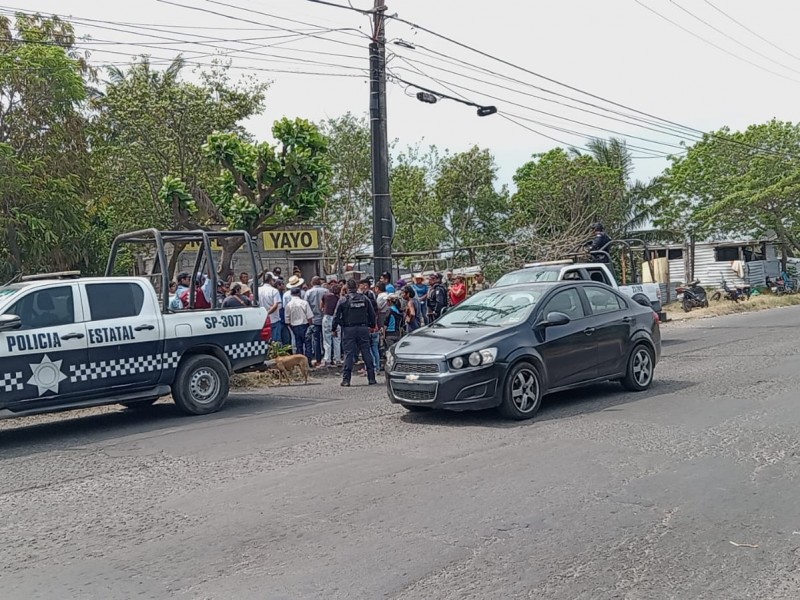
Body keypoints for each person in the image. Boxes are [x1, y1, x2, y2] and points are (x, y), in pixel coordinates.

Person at [333, 278, 377, 387]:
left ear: (347, 288)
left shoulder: (343, 300)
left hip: (349, 329)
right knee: (366, 352)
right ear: (356, 287)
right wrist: (371, 325)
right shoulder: (364, 298)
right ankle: (371, 378)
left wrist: (335, 328)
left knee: (349, 354)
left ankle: (346, 380)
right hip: (363, 328)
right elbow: (372, 314)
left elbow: (336, 316)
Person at [286, 287, 314, 363]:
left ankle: (299, 362)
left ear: (291, 294)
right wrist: (311, 326)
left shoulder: (288, 305)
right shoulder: (304, 303)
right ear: (299, 293)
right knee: (308, 344)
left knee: (299, 344)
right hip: (305, 325)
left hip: (294, 326)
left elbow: (287, 319)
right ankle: (308, 361)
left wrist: (292, 328)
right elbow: (309, 316)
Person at [304, 276, 326, 367]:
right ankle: (328, 358)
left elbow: (306, 306)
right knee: (326, 339)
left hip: (313, 319)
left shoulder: (308, 293)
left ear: (312, 283)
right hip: (324, 317)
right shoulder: (326, 291)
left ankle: (318, 359)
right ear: (320, 282)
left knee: (316, 340)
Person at [258, 273, 283, 342]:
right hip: (273, 319)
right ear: (270, 280)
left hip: (261, 320)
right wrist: (267, 313)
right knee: (276, 342)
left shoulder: (257, 290)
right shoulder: (274, 291)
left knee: (265, 341)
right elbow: (275, 305)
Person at [321, 283, 342, 367]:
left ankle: (327, 360)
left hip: (327, 318)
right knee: (337, 340)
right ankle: (338, 359)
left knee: (327, 340)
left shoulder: (325, 296)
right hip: (336, 319)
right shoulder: (340, 299)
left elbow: (321, 306)